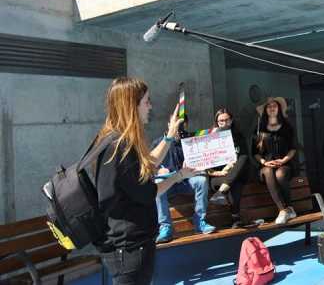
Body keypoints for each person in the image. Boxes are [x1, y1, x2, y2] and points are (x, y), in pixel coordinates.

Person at [94, 77, 197, 285]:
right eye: (146, 101)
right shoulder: (121, 147)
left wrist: (169, 136)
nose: (150, 106)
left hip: (127, 245)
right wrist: (178, 176)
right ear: (132, 105)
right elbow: (150, 192)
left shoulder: (115, 139)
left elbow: (146, 164)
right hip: (130, 249)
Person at [154, 115, 219, 243]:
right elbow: (148, 166)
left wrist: (216, 133)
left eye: (182, 125)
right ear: (169, 124)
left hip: (186, 182)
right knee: (157, 182)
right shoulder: (159, 143)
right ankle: (165, 227)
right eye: (176, 124)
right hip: (167, 184)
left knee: (201, 181)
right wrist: (158, 171)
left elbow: (204, 157)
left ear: (186, 125)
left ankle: (200, 221)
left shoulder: (192, 140)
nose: (179, 128)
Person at [252, 97, 297, 225]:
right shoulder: (259, 129)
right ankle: (283, 210)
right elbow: (255, 153)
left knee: (280, 174)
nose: (272, 108)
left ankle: (290, 208)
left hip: (284, 165)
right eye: (269, 106)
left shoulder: (287, 127)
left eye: (274, 106)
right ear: (266, 110)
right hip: (265, 167)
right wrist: (264, 162)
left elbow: (293, 149)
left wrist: (283, 160)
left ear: (279, 109)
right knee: (268, 171)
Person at [208, 108, 250, 228]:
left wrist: (230, 167)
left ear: (231, 121)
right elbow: (204, 162)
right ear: (217, 122)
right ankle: (236, 217)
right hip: (217, 177)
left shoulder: (238, 137)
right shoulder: (210, 138)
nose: (224, 123)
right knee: (234, 183)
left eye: (227, 120)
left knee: (243, 158)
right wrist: (216, 172)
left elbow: (243, 158)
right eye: (221, 121)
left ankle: (222, 191)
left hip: (236, 173)